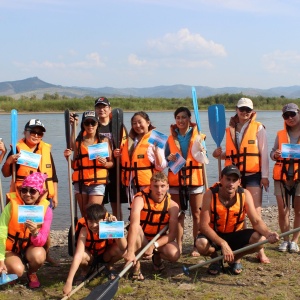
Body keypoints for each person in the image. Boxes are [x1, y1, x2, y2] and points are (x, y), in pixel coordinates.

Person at [212, 97, 270, 263]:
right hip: (234, 176)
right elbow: (230, 153)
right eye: (242, 109)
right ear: (236, 109)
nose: (245, 112)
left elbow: (263, 153)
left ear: (252, 111)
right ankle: (241, 247)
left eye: (248, 110)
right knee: (238, 212)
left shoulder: (258, 128)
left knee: (255, 211)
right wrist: (219, 154)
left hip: (253, 174)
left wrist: (265, 176)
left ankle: (261, 251)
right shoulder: (228, 129)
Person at [195, 165, 279, 275]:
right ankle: (216, 259)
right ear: (221, 179)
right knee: (201, 243)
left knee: (260, 239)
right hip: (215, 235)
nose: (231, 184)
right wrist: (223, 244)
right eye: (228, 179)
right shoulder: (210, 194)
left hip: (234, 234)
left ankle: (234, 258)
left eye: (234, 180)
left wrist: (268, 234)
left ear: (239, 182)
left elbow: (256, 222)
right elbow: (204, 226)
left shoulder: (244, 194)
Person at [1, 118, 58, 266]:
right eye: (33, 132)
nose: (36, 135)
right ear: (25, 132)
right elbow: (6, 173)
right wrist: (9, 161)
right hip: (21, 195)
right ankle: (14, 255)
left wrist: (55, 195)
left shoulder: (45, 150)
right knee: (17, 226)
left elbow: (53, 175)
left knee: (42, 228)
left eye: (40, 133)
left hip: (41, 196)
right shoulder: (17, 149)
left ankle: (46, 253)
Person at [70, 97, 128, 220]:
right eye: (98, 107)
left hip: (114, 171)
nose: (101, 109)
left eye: (104, 107)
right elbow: (76, 146)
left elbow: (127, 146)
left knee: (115, 204)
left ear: (109, 109)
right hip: (94, 172)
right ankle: (97, 231)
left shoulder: (117, 126)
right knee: (97, 207)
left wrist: (119, 154)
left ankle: (116, 233)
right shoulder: (90, 126)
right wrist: (73, 126)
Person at [165, 107, 208, 257]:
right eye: (178, 117)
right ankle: (179, 245)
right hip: (176, 179)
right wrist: (168, 158)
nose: (181, 120)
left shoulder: (199, 136)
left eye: (184, 117)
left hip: (195, 178)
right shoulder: (170, 138)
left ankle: (196, 245)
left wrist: (204, 151)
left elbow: (205, 158)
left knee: (197, 214)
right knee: (178, 214)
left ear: (189, 119)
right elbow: (164, 160)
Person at [123, 172, 180, 280]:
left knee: (174, 254)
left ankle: (157, 258)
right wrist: (130, 252)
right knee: (137, 228)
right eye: (156, 186)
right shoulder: (139, 199)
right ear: (150, 186)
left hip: (157, 240)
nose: (159, 190)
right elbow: (134, 225)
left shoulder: (173, 206)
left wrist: (153, 245)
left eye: (162, 186)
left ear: (167, 187)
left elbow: (172, 235)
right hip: (141, 239)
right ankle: (136, 266)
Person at [0, 172, 52, 288]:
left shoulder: (46, 210)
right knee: (18, 271)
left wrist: (35, 232)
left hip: (30, 247)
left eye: (32, 191)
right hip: (10, 248)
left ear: (40, 193)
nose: (27, 194)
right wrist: (1, 259)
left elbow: (42, 242)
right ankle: (11, 268)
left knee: (39, 256)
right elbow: (1, 233)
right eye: (24, 190)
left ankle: (31, 272)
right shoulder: (11, 206)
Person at [63, 203, 127, 296]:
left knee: (120, 250)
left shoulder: (108, 225)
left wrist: (115, 227)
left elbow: (123, 247)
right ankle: (85, 270)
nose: (94, 225)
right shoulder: (84, 229)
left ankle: (108, 266)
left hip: (105, 255)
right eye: (91, 221)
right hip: (91, 257)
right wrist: (69, 282)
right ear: (87, 220)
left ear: (103, 219)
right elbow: (78, 255)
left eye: (97, 222)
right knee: (82, 256)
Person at [64, 111, 114, 217]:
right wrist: (67, 158)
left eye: (93, 123)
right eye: (87, 123)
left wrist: (105, 163)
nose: (90, 125)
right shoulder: (78, 143)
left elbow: (111, 164)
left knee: (93, 214)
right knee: (85, 215)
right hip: (81, 183)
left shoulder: (104, 141)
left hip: (97, 183)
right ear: (83, 125)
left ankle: (107, 224)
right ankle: (86, 232)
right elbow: (74, 166)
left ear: (97, 124)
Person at [114, 111, 167, 204]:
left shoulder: (156, 138)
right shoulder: (128, 141)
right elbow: (125, 161)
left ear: (148, 122)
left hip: (149, 185)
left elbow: (161, 167)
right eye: (134, 123)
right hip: (131, 185)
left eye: (140, 122)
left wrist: (156, 152)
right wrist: (117, 154)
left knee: (149, 212)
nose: (137, 125)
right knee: (134, 211)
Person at [270, 103, 300, 253]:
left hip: (299, 176)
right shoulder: (280, 134)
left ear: (298, 114)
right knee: (283, 210)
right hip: (281, 177)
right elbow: (272, 152)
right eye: (286, 116)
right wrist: (274, 155)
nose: (290, 118)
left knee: (299, 211)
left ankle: (294, 241)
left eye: (292, 114)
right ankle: (285, 240)